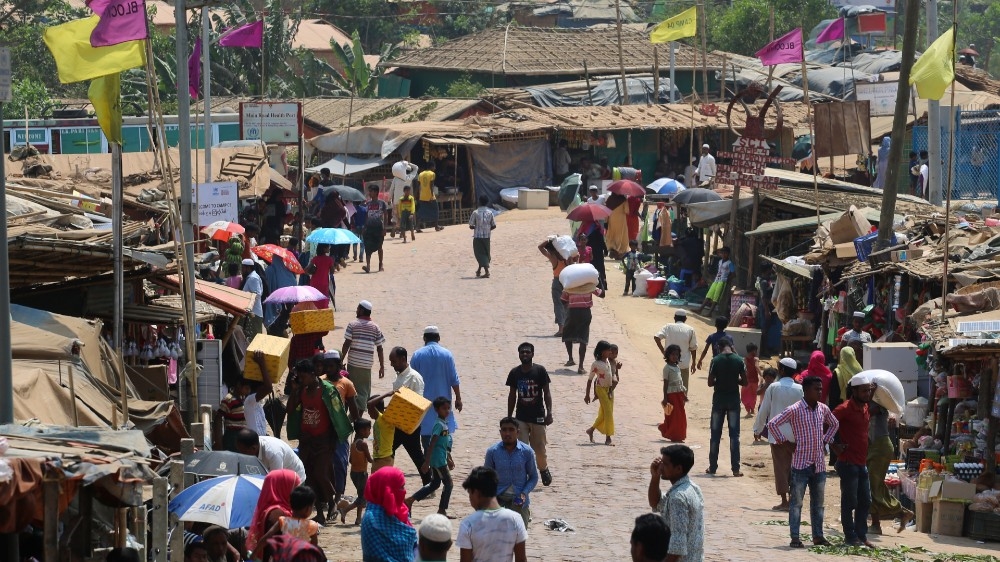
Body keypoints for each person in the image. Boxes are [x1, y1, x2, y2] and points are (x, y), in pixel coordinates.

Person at [766, 376, 840, 548]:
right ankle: (795, 537)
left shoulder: (823, 409)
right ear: (806, 390)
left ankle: (818, 536)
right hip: (800, 464)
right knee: (796, 503)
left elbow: (834, 424)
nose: (820, 392)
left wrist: (825, 440)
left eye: (821, 389)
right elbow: (772, 424)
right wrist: (785, 443)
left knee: (818, 504)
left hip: (819, 464)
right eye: (816, 389)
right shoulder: (795, 409)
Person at [286, 359, 353, 524]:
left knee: (321, 473)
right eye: (299, 377)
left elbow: (337, 414)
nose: (301, 380)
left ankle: (332, 502)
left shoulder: (327, 390)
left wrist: (334, 439)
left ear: (312, 374)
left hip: (324, 440)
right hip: (306, 440)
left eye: (303, 377)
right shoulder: (301, 390)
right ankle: (320, 513)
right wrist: (295, 390)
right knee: (309, 477)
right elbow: (290, 409)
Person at [753, 358, 804, 510]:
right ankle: (793, 499)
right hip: (796, 436)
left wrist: (757, 429)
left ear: (781, 370)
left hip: (777, 435)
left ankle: (784, 501)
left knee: (781, 468)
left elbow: (764, 409)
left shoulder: (774, 387)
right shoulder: (800, 389)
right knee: (795, 468)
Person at [832, 374, 874, 548]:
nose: (867, 394)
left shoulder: (865, 407)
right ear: (854, 391)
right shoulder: (844, 409)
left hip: (861, 462)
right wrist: (834, 445)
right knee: (850, 502)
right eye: (864, 391)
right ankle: (850, 536)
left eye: (869, 391)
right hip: (848, 462)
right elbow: (827, 424)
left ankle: (861, 535)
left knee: (865, 501)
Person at [456, 466, 528, 562]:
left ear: (476, 493)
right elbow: (521, 559)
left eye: (470, 493)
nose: (470, 499)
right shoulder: (515, 519)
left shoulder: (468, 524)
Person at [506, 342, 553, 487]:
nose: (525, 354)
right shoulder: (515, 373)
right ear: (519, 355)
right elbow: (512, 395)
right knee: (521, 448)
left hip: (538, 416)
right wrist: (509, 417)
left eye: (527, 352)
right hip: (521, 417)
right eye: (522, 352)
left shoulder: (540, 371)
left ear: (532, 354)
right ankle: (522, 475)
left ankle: (543, 469)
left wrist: (549, 412)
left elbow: (547, 393)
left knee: (539, 449)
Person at [647, 444, 705, 562]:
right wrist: (655, 477)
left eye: (665, 464)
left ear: (678, 469)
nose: (661, 467)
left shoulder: (677, 497)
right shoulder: (693, 488)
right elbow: (655, 503)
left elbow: (677, 546)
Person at [411, 326, 463, 452]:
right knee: (444, 438)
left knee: (427, 439)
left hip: (424, 406)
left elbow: (411, 379)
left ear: (424, 338)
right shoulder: (447, 354)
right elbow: (454, 379)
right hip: (443, 405)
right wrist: (458, 398)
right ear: (438, 338)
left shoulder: (418, 355)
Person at [868, 398, 914, 534]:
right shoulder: (869, 401)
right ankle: (901, 513)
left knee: (873, 485)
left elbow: (868, 413)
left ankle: (876, 524)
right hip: (873, 446)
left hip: (880, 447)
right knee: (875, 485)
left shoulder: (878, 403)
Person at [406, 397, 456, 518]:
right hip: (438, 460)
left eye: (448, 408)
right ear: (437, 410)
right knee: (449, 484)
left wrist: (449, 458)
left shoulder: (444, 423)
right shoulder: (439, 425)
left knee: (435, 484)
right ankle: (442, 510)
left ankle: (410, 500)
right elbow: (432, 443)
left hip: (441, 458)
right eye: (444, 408)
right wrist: (426, 462)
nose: (447, 411)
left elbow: (443, 444)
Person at [484, 417, 539, 527]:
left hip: (519, 500)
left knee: (519, 534)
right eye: (504, 430)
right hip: (498, 499)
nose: (507, 433)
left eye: (511, 430)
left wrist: (524, 493)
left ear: (517, 432)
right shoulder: (492, 452)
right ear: (500, 432)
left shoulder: (527, 452)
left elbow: (533, 477)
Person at [706, 337, 747, 477]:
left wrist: (719, 380)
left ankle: (712, 467)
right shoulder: (739, 360)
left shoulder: (715, 360)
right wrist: (735, 379)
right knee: (734, 436)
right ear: (731, 346)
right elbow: (745, 382)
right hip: (733, 401)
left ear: (719, 347)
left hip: (719, 400)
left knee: (715, 435)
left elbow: (710, 382)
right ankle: (735, 469)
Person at [360, 466, 418, 562]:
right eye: (401, 487)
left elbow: (414, 546)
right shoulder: (372, 520)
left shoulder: (401, 512)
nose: (404, 491)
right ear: (388, 490)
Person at [341, 300, 386, 413]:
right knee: (363, 393)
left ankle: (353, 419)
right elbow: (380, 348)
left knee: (351, 392)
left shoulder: (352, 324)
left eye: (357, 309)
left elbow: (347, 344)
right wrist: (381, 366)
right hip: (366, 365)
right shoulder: (375, 327)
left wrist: (340, 360)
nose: (356, 311)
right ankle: (356, 418)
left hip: (353, 364)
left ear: (361, 310)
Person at [246, 469, 301, 557]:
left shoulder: (271, 509)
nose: (299, 494)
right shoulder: (278, 514)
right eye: (295, 489)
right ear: (284, 488)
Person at [235, 428, 306, 483]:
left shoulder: (273, 453)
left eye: (242, 451)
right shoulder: (253, 445)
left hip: (293, 481)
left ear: (253, 448)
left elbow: (275, 480)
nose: (240, 454)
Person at [562, 285, 605, 373]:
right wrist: (601, 283)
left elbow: (563, 299)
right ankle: (581, 367)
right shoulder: (589, 285)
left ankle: (570, 359)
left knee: (568, 333)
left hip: (572, 312)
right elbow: (602, 295)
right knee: (583, 338)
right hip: (585, 312)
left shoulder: (570, 284)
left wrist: (569, 304)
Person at [338, 419, 373, 525]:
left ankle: (358, 519)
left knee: (361, 495)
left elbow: (351, 460)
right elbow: (369, 459)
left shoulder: (353, 443)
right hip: (362, 473)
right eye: (368, 430)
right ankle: (345, 510)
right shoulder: (363, 444)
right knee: (363, 497)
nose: (369, 432)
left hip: (353, 473)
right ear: (362, 431)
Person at [584, 340, 618, 446]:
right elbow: (590, 380)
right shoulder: (596, 364)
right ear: (602, 352)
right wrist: (587, 395)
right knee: (608, 412)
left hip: (610, 390)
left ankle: (591, 430)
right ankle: (608, 437)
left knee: (605, 413)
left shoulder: (608, 361)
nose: (610, 352)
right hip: (601, 389)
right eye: (608, 350)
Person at [654, 310, 698, 391]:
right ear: (685, 319)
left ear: (674, 318)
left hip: (670, 364)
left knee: (669, 390)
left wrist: (664, 352)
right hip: (684, 365)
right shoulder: (690, 329)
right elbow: (693, 348)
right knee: (683, 391)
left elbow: (656, 337)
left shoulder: (668, 326)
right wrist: (694, 363)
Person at [538, 238, 570, 337]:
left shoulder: (552, 257)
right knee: (567, 304)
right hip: (568, 281)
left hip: (557, 281)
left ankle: (561, 329)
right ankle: (568, 328)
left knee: (558, 305)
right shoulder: (567, 257)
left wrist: (550, 240)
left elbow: (540, 247)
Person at [658, 344, 687, 443]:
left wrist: (684, 395)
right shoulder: (667, 368)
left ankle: (679, 435)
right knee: (674, 416)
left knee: (681, 416)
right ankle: (674, 435)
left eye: (677, 354)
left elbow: (680, 382)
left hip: (679, 394)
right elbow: (665, 384)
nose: (675, 356)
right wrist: (665, 398)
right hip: (672, 395)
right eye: (672, 354)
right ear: (668, 355)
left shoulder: (677, 367)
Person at [242, 352, 273, 440]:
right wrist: (262, 364)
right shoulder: (249, 401)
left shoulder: (257, 404)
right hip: (254, 443)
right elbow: (268, 388)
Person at [697, 246, 734, 315]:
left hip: (722, 281)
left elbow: (733, 274)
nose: (723, 255)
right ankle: (700, 309)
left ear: (728, 254)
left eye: (725, 253)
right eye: (722, 253)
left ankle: (710, 313)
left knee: (716, 297)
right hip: (716, 280)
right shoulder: (720, 261)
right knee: (709, 295)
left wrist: (726, 279)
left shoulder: (730, 263)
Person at [362, 185, 389, 273]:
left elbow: (386, 215)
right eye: (369, 191)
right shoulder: (368, 204)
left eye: (371, 191)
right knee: (367, 247)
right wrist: (364, 226)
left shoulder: (382, 203)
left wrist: (385, 228)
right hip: (369, 227)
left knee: (379, 246)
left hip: (378, 227)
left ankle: (380, 264)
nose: (369, 193)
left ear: (376, 192)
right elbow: (366, 216)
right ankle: (368, 266)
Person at [469, 195, 497, 278]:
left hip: (478, 237)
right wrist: (487, 229)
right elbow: (494, 225)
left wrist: (477, 227)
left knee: (479, 254)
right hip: (487, 237)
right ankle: (479, 270)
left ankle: (487, 272)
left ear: (479, 202)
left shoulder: (475, 213)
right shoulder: (490, 213)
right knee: (485, 253)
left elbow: (471, 226)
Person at [368, 397, 395, 472]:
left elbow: (370, 404)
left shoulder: (382, 419)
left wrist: (387, 394)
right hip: (383, 458)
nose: (368, 413)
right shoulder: (384, 419)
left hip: (383, 460)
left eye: (369, 410)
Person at [241, 258, 265, 337]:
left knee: (254, 338)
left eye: (243, 268)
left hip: (254, 313)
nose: (242, 270)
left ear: (248, 268)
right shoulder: (251, 277)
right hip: (252, 313)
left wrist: (246, 295)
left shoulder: (253, 278)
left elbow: (257, 294)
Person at [306, 244, 335, 310]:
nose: (329, 249)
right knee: (323, 301)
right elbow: (332, 271)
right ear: (324, 249)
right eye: (328, 247)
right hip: (324, 282)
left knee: (315, 299)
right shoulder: (329, 259)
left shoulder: (315, 258)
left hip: (314, 282)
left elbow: (306, 269)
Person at [417, 162, 443, 232]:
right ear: (432, 167)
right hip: (430, 196)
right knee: (436, 210)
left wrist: (418, 196)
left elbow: (418, 186)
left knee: (421, 211)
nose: (435, 168)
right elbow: (431, 185)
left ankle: (417, 227)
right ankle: (436, 226)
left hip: (422, 196)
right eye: (434, 167)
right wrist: (431, 196)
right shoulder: (432, 174)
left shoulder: (420, 174)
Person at [741, 343, 761, 416]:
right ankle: (752, 409)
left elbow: (744, 369)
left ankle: (748, 410)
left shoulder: (745, 359)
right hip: (754, 380)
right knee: (753, 395)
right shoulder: (756, 359)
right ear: (754, 350)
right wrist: (761, 375)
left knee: (745, 395)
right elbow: (757, 367)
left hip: (747, 380)